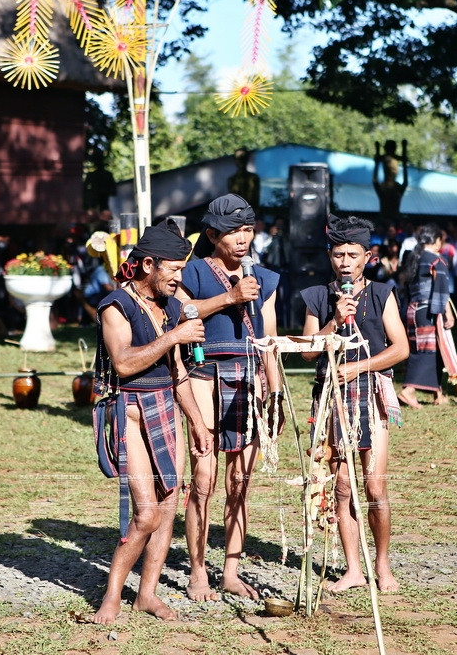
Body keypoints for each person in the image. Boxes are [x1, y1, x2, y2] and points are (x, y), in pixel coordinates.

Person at [91, 219, 212, 624]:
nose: (180, 277)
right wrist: (173, 337)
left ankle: (147, 594)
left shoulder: (173, 307)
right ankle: (111, 594)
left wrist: (197, 422)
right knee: (146, 515)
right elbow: (124, 363)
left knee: (168, 505)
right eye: (173, 269)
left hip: (165, 410)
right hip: (128, 411)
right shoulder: (116, 306)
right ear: (147, 266)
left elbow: (178, 373)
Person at [176, 193, 284, 601]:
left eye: (247, 230)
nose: (242, 238)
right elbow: (181, 314)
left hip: (250, 377)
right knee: (203, 479)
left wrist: (273, 392)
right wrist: (229, 298)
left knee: (240, 481)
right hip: (203, 374)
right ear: (212, 234)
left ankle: (231, 571)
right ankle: (198, 569)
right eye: (233, 231)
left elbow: (269, 340)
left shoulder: (265, 279)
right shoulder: (193, 273)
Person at [298, 214, 408, 593]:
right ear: (330, 255)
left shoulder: (382, 293)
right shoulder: (318, 297)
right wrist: (333, 321)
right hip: (331, 396)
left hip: (371, 393)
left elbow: (400, 348)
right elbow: (309, 353)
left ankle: (383, 565)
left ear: (368, 256)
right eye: (338, 254)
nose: (345, 261)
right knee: (342, 487)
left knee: (374, 486)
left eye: (352, 254)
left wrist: (359, 366)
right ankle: (353, 569)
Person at [398, 224, 457, 408]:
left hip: (413, 310)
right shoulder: (435, 259)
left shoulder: (413, 258)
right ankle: (408, 391)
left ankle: (438, 393)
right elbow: (441, 289)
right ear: (437, 240)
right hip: (427, 310)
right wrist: (447, 313)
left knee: (431, 350)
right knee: (426, 352)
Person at [373, 139, 408, 225]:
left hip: (388, 217)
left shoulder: (387, 188)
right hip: (390, 217)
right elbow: (375, 181)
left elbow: (374, 181)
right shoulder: (392, 188)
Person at [227, 147, 261, 214]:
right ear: (235, 160)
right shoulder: (232, 180)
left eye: (243, 158)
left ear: (247, 159)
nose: (241, 161)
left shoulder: (254, 178)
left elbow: (256, 199)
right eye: (238, 158)